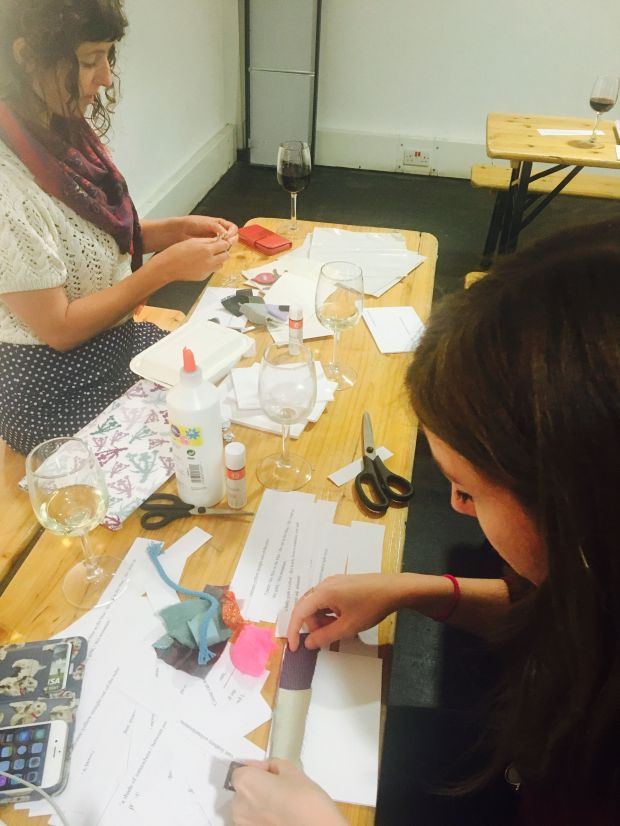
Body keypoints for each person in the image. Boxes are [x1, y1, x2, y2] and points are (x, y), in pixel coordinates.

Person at [232, 222, 620, 826]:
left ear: (576, 498)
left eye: (469, 490)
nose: (457, 508)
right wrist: (411, 591)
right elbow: (552, 607)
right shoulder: (596, 574)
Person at [0, 0, 238, 454]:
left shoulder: (52, 129)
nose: (106, 78)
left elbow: (82, 241)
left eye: (108, 56)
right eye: (90, 60)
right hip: (51, 392)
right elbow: (59, 328)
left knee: (225, 395)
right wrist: (164, 270)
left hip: (112, 343)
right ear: (27, 55)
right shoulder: (7, 184)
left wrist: (172, 231)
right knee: (198, 442)